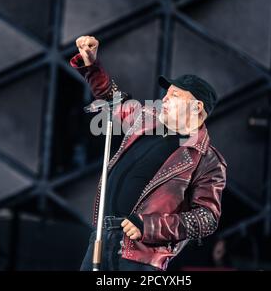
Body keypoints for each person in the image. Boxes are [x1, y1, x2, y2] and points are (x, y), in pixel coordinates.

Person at [71, 36, 227, 271]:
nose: (164, 98)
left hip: (140, 256)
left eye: (174, 95)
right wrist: (91, 64)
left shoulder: (207, 159)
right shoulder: (145, 120)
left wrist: (148, 227)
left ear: (196, 107)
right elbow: (111, 99)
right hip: (102, 239)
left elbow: (206, 218)